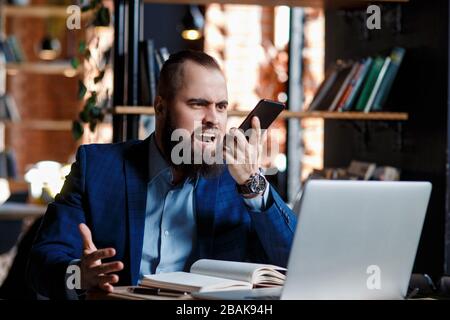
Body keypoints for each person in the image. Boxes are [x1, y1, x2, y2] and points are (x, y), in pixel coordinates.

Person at [28, 50, 297, 299]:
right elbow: (40, 264)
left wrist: (253, 185)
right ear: (160, 107)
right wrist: (80, 275)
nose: (213, 119)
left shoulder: (238, 181)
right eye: (198, 104)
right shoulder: (97, 166)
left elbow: (294, 262)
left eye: (221, 107)